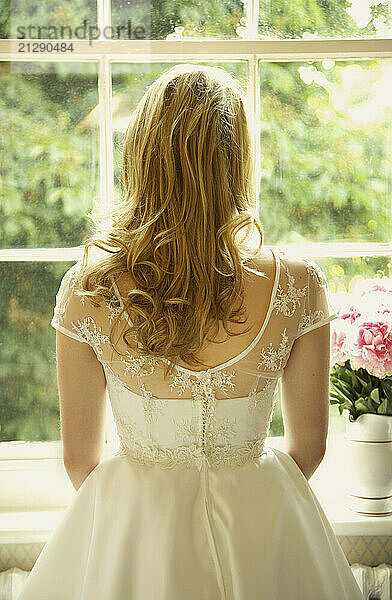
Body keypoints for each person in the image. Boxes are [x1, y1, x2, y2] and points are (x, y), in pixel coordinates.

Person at [18, 64, 364, 599]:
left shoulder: (88, 289)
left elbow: (79, 461)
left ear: (142, 156)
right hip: (266, 526)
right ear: (237, 163)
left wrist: (145, 524)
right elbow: (311, 447)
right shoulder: (299, 283)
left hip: (135, 531)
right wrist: (251, 505)